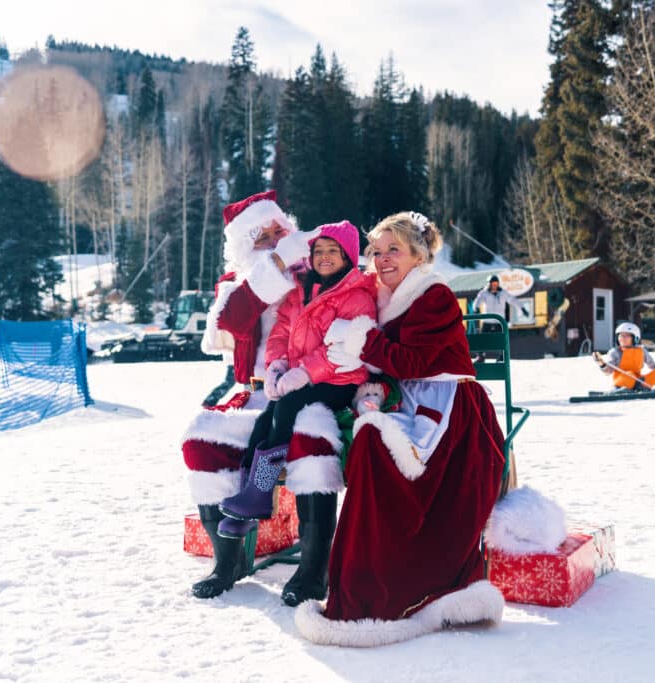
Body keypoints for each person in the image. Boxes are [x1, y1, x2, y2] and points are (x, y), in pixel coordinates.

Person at [295, 211, 507, 646]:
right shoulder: (375, 293)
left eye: (395, 249)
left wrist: (362, 341)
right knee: (343, 433)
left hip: (451, 409)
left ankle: (387, 591)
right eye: (377, 250)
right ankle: (338, 574)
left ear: (418, 255)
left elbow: (413, 362)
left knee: (375, 443)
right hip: (401, 398)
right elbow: (385, 366)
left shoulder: (435, 296)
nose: (383, 258)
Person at [180, 190, 346, 601]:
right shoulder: (236, 286)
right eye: (263, 235)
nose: (276, 239)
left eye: (280, 231)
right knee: (200, 439)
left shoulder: (316, 274)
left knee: (312, 442)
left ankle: (313, 571)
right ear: (244, 245)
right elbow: (230, 323)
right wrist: (273, 267)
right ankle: (228, 562)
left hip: (310, 391)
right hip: (253, 395)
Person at [218, 220, 377, 605]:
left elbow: (344, 348)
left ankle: (263, 498)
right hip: (299, 379)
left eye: (332, 252)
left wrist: (304, 373)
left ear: (348, 257)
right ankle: (253, 492)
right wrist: (276, 365)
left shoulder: (355, 294)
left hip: (339, 379)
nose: (324, 258)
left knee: (285, 404)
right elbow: (280, 333)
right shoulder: (299, 292)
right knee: (266, 417)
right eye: (318, 251)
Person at [593, 322, 655, 391]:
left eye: (626, 335)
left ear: (635, 338)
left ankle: (641, 387)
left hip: (639, 381)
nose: (622, 338)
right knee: (629, 374)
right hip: (623, 380)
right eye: (620, 335)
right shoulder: (615, 352)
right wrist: (601, 364)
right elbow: (608, 372)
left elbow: (654, 366)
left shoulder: (642, 351)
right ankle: (621, 389)